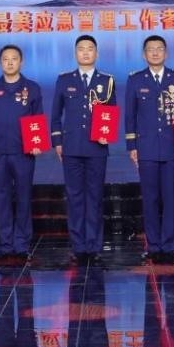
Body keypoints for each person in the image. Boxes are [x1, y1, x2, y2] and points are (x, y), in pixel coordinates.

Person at [125, 34, 174, 264]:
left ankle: (170, 245)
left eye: (159, 48)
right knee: (150, 199)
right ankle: (153, 245)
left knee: (171, 198)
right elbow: (130, 116)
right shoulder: (135, 80)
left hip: (172, 147)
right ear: (144, 54)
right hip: (146, 148)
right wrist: (132, 146)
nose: (155, 53)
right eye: (150, 49)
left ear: (166, 52)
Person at [51, 34, 116, 264]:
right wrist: (57, 142)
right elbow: (55, 115)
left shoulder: (106, 81)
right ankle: (78, 247)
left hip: (97, 148)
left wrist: (107, 134)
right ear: (75, 53)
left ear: (96, 53)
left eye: (90, 48)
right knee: (75, 198)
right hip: (71, 148)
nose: (86, 52)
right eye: (81, 48)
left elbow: (111, 114)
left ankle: (94, 246)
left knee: (95, 197)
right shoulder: (64, 80)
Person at [0, 44, 44, 262]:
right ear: (0, 63)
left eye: (14, 58)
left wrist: (36, 143)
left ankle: (22, 245)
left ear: (21, 62)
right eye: (5, 59)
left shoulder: (32, 88)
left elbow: (37, 118)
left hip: (24, 153)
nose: (10, 62)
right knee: (2, 198)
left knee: (24, 198)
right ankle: (6, 245)